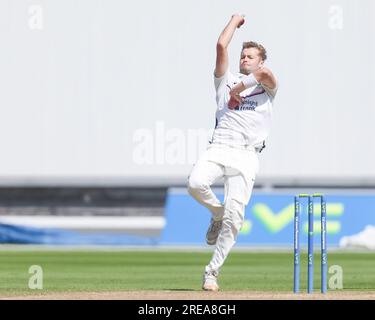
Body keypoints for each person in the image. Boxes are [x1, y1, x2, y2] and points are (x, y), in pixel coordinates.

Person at [187, 14, 278, 291]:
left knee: (235, 219)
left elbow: (265, 76)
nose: (245, 60)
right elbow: (220, 46)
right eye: (243, 56)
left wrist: (239, 89)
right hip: (219, 146)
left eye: (250, 56)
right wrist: (233, 20)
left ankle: (211, 272)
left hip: (246, 155)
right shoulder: (224, 80)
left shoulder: (266, 88)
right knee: (195, 184)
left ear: (260, 60)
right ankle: (216, 213)